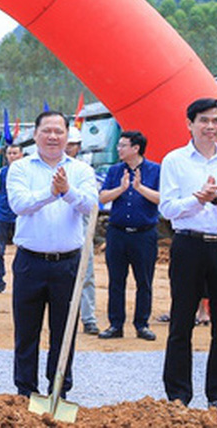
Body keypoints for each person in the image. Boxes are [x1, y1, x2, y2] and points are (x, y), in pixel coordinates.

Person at [160, 98, 217, 410]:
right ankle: (178, 395)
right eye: (203, 120)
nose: (210, 127)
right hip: (188, 244)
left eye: (215, 121)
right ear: (189, 124)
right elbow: (167, 207)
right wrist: (196, 201)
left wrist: (215, 200)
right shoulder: (174, 161)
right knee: (181, 322)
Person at [6, 111, 97, 399]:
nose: (53, 136)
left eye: (59, 131)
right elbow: (20, 204)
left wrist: (67, 192)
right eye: (47, 130)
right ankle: (25, 390)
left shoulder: (81, 170)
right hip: (30, 261)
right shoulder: (20, 168)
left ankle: (59, 389)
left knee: (64, 332)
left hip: (68, 263)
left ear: (67, 136)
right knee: (26, 331)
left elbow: (90, 205)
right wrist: (52, 191)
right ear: (36, 135)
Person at [97, 130, 160, 342]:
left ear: (136, 148)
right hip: (117, 233)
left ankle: (142, 324)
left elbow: (163, 199)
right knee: (116, 280)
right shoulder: (115, 171)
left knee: (144, 281)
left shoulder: (155, 170)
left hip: (144, 234)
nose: (118, 149)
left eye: (123, 145)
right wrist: (121, 188)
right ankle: (116, 324)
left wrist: (140, 188)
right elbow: (103, 197)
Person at [66, 127, 98, 335]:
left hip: (83, 228)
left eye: (73, 145)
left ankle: (88, 318)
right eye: (67, 144)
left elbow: (91, 201)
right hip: (59, 230)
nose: (69, 148)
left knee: (86, 274)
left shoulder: (85, 170)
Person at [0, 144, 23, 293]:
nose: (12, 156)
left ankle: (21, 279)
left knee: (23, 250)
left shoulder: (26, 173)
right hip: (2, 216)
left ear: (21, 155)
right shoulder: (0, 174)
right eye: (10, 153)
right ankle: (0, 280)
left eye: (15, 153)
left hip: (21, 216)